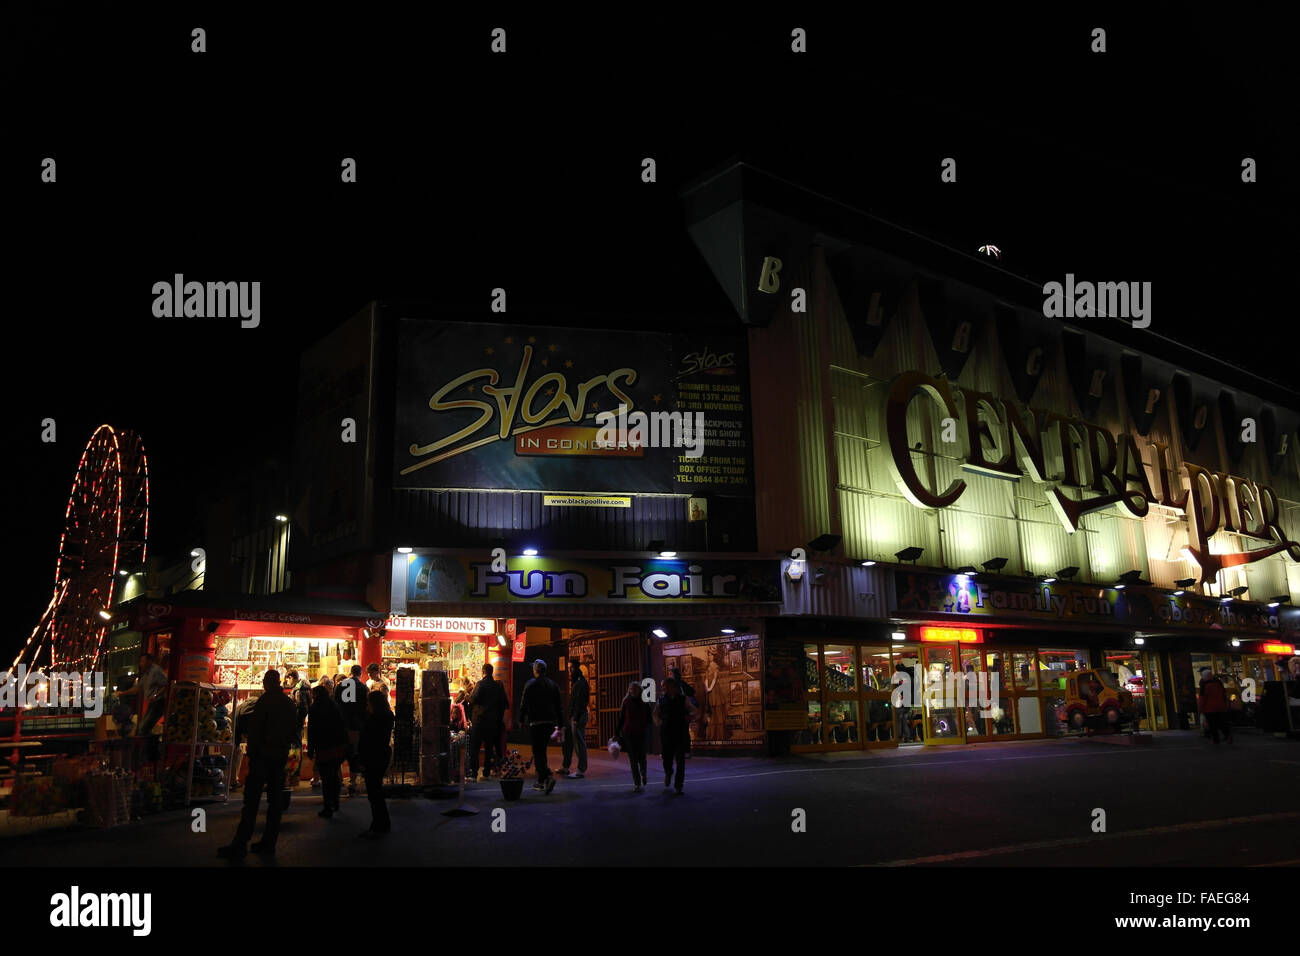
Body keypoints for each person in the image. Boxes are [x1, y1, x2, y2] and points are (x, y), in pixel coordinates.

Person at [218, 670, 299, 858]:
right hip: (280, 756)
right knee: (275, 801)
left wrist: (253, 752)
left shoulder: (264, 702)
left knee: (252, 801)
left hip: (262, 756)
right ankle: (269, 842)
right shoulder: (288, 703)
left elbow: (256, 730)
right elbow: (293, 730)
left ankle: (241, 842)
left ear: (266, 682)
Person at [518, 659, 564, 794]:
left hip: (536, 722)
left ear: (536, 670)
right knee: (541, 750)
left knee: (538, 751)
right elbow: (559, 706)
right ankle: (541, 780)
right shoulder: (553, 685)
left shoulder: (530, 684)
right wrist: (560, 724)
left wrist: (521, 719)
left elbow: (524, 703)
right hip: (549, 723)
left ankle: (546, 777)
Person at [306, 684, 346, 818]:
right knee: (334, 775)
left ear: (315, 695)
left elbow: (311, 730)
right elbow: (341, 724)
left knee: (326, 777)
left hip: (323, 747)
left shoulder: (315, 708)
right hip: (336, 746)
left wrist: (311, 749)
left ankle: (328, 806)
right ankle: (335, 802)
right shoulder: (334, 705)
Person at [358, 690, 394, 836]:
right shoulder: (387, 716)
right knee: (376, 791)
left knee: (374, 793)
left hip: (373, 757)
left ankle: (380, 825)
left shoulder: (374, 719)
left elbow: (367, 739)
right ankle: (379, 823)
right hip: (382, 755)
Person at [654, 677, 697, 795]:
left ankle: (679, 786)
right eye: (662, 686)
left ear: (672, 686)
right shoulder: (661, 700)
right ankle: (668, 772)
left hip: (680, 734)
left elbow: (694, 711)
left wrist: (690, 717)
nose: (663, 688)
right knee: (666, 759)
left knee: (680, 761)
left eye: (665, 686)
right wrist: (659, 722)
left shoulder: (683, 699)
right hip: (666, 734)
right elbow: (655, 714)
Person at [466, 663, 508, 781]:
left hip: (479, 721)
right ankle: (486, 772)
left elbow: (473, 699)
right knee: (489, 748)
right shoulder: (497, 686)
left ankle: (474, 773)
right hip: (492, 722)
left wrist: (466, 696)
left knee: (475, 747)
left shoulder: (480, 684)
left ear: (483, 672)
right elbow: (504, 704)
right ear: (492, 672)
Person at [334, 665, 368, 796]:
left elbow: (336, 704)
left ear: (350, 673)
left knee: (339, 753)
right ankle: (353, 784)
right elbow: (365, 708)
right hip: (356, 727)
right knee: (353, 754)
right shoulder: (363, 687)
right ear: (361, 673)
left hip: (341, 725)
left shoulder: (341, 685)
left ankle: (339, 781)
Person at [121, 652, 168, 737]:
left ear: (150, 661)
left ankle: (151, 746)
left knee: (143, 728)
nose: (141, 664)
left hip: (159, 702)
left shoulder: (156, 671)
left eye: (143, 661)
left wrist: (156, 695)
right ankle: (151, 744)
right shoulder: (146, 673)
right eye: (140, 661)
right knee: (142, 728)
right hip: (152, 703)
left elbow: (166, 684)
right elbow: (138, 688)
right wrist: (123, 693)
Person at [618, 680, 652, 792]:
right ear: (629, 690)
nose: (633, 691)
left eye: (635, 689)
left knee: (642, 757)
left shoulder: (645, 702)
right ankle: (637, 783)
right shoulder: (626, 701)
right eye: (631, 689)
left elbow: (649, 718)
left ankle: (643, 774)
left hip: (641, 733)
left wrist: (645, 726)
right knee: (633, 759)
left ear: (639, 690)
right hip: (629, 733)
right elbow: (622, 718)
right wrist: (616, 733)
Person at [560, 661, 590, 778]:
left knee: (579, 743)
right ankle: (566, 767)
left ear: (576, 668)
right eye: (568, 668)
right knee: (568, 741)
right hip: (573, 716)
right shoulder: (576, 681)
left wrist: (576, 718)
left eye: (571, 667)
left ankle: (581, 769)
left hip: (578, 716)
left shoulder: (580, 683)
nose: (569, 670)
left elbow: (580, 702)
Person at [1198, 668, 1231, 745]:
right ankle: (1227, 735)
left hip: (1209, 709)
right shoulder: (1218, 684)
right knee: (1221, 723)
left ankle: (1215, 739)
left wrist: (1200, 709)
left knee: (1212, 725)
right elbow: (1223, 695)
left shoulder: (1204, 686)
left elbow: (1202, 699)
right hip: (1220, 707)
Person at [891, 663, 915, 743]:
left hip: (902, 700)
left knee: (900, 718)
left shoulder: (903, 678)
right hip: (908, 700)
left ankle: (900, 737)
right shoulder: (909, 676)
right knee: (904, 719)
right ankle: (907, 737)